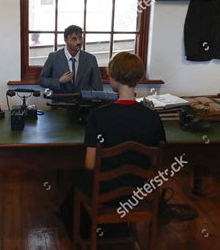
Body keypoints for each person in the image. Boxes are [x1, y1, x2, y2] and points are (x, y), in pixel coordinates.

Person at [58, 51, 166, 239]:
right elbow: (157, 163)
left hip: (105, 190)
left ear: (113, 78)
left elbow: (90, 164)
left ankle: (85, 232)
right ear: (139, 79)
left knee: (77, 181)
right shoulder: (153, 118)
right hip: (140, 191)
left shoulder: (98, 116)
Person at [39, 25, 103, 93]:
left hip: (83, 102)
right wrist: (59, 81)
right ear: (65, 40)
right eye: (74, 39)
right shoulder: (53, 57)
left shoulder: (91, 59)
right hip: (60, 102)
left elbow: (98, 88)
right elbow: (42, 80)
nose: (79, 42)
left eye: (80, 38)